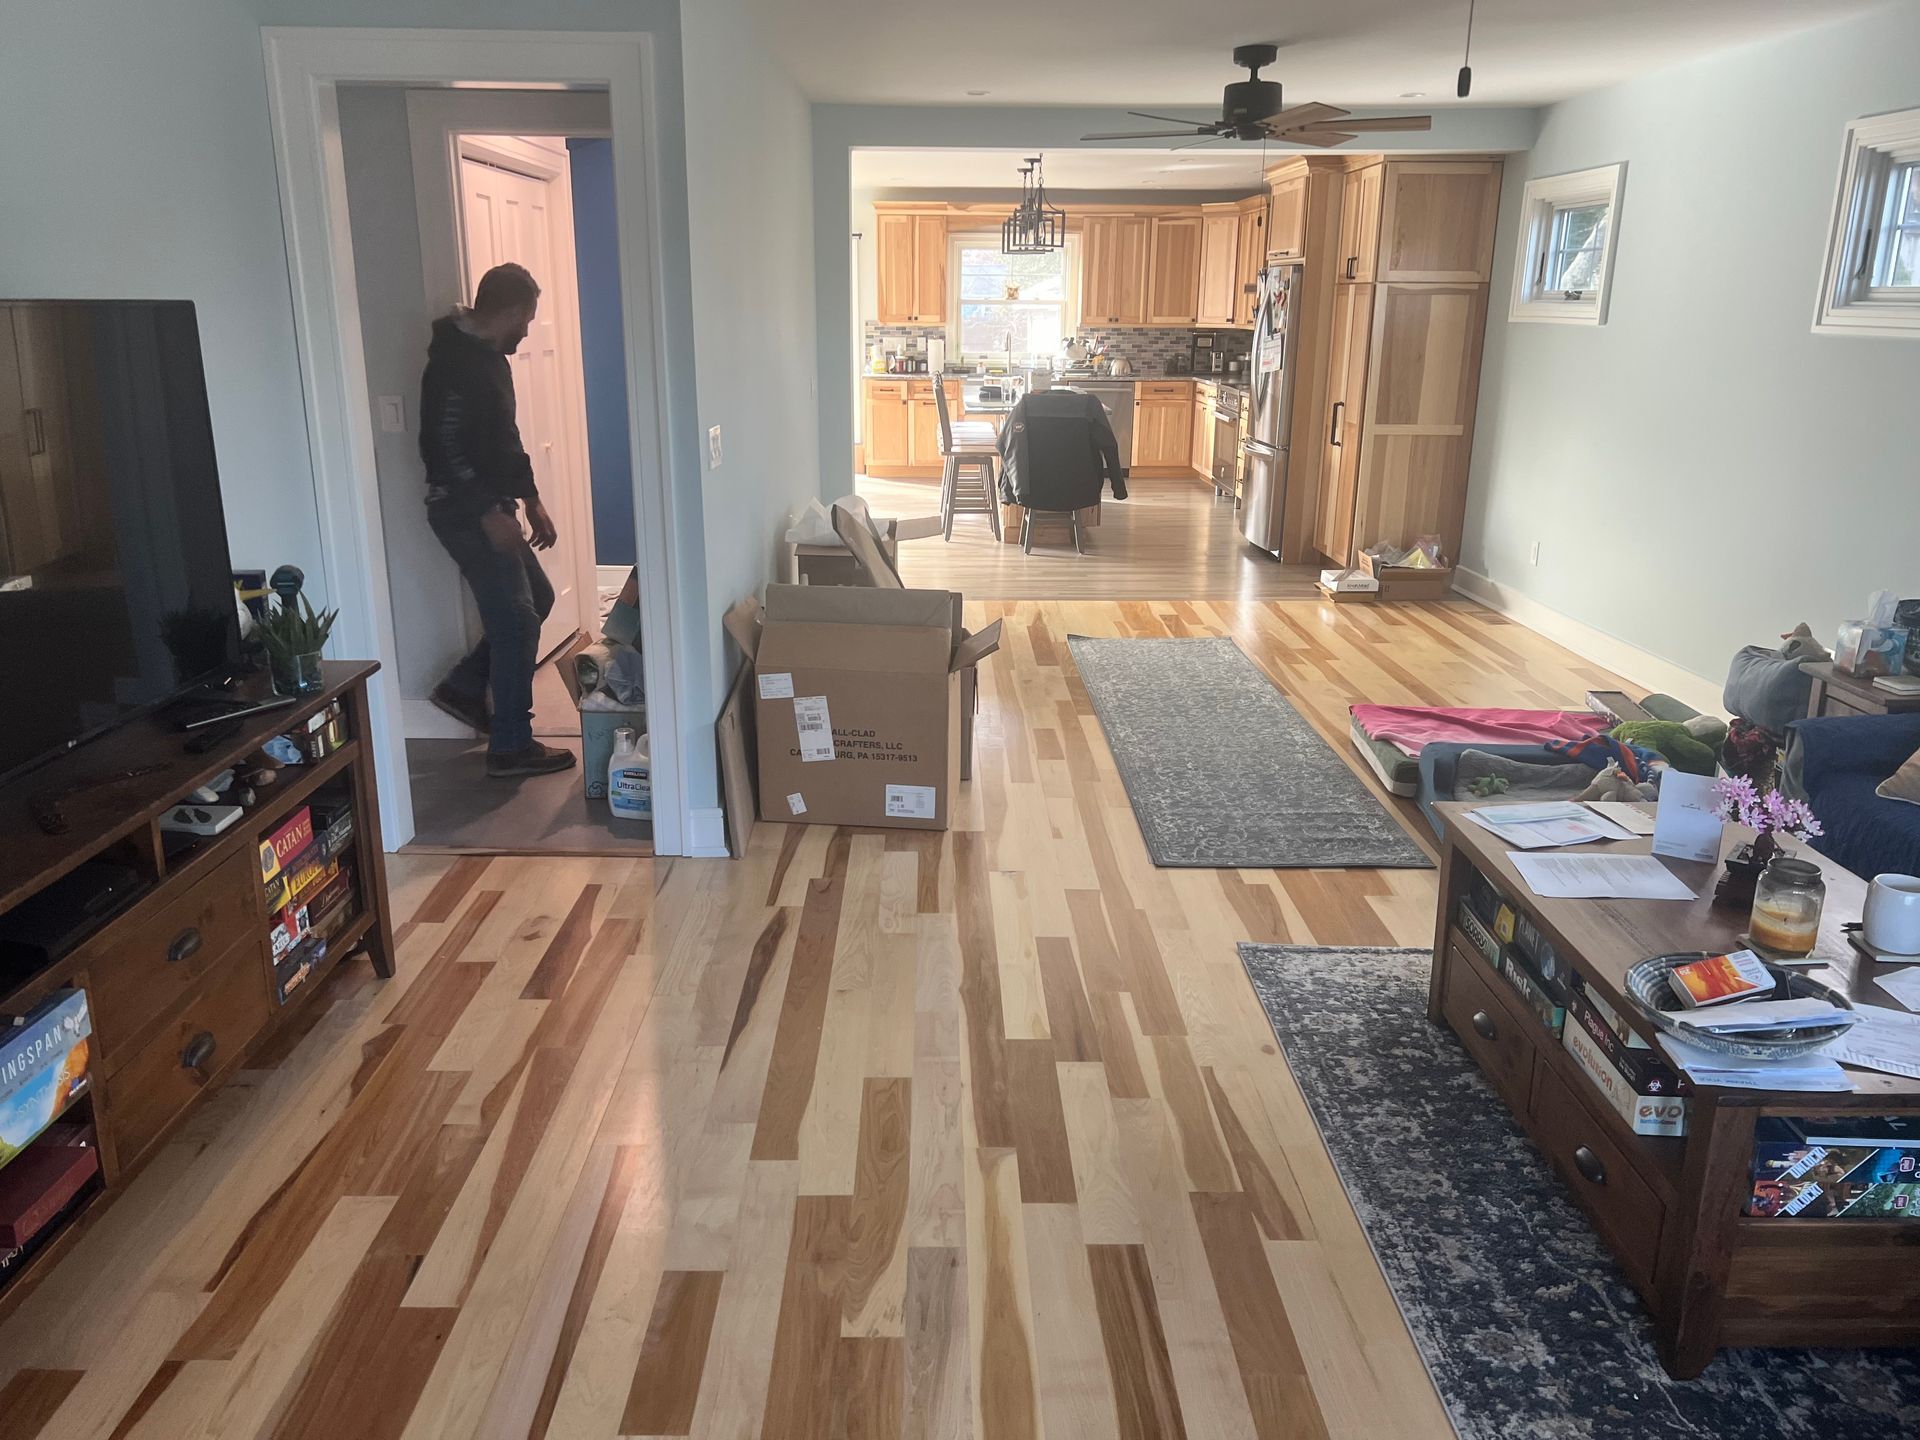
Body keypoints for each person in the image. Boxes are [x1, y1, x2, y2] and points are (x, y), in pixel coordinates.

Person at [418, 262, 576, 777]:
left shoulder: (487, 358)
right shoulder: (452, 363)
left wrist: (531, 500)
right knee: (515, 622)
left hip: (489, 503)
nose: (528, 331)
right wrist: (489, 510)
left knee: (541, 599)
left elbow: (504, 440)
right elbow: (440, 448)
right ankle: (510, 745)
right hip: (463, 509)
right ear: (507, 311)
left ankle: (464, 689)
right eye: (526, 319)